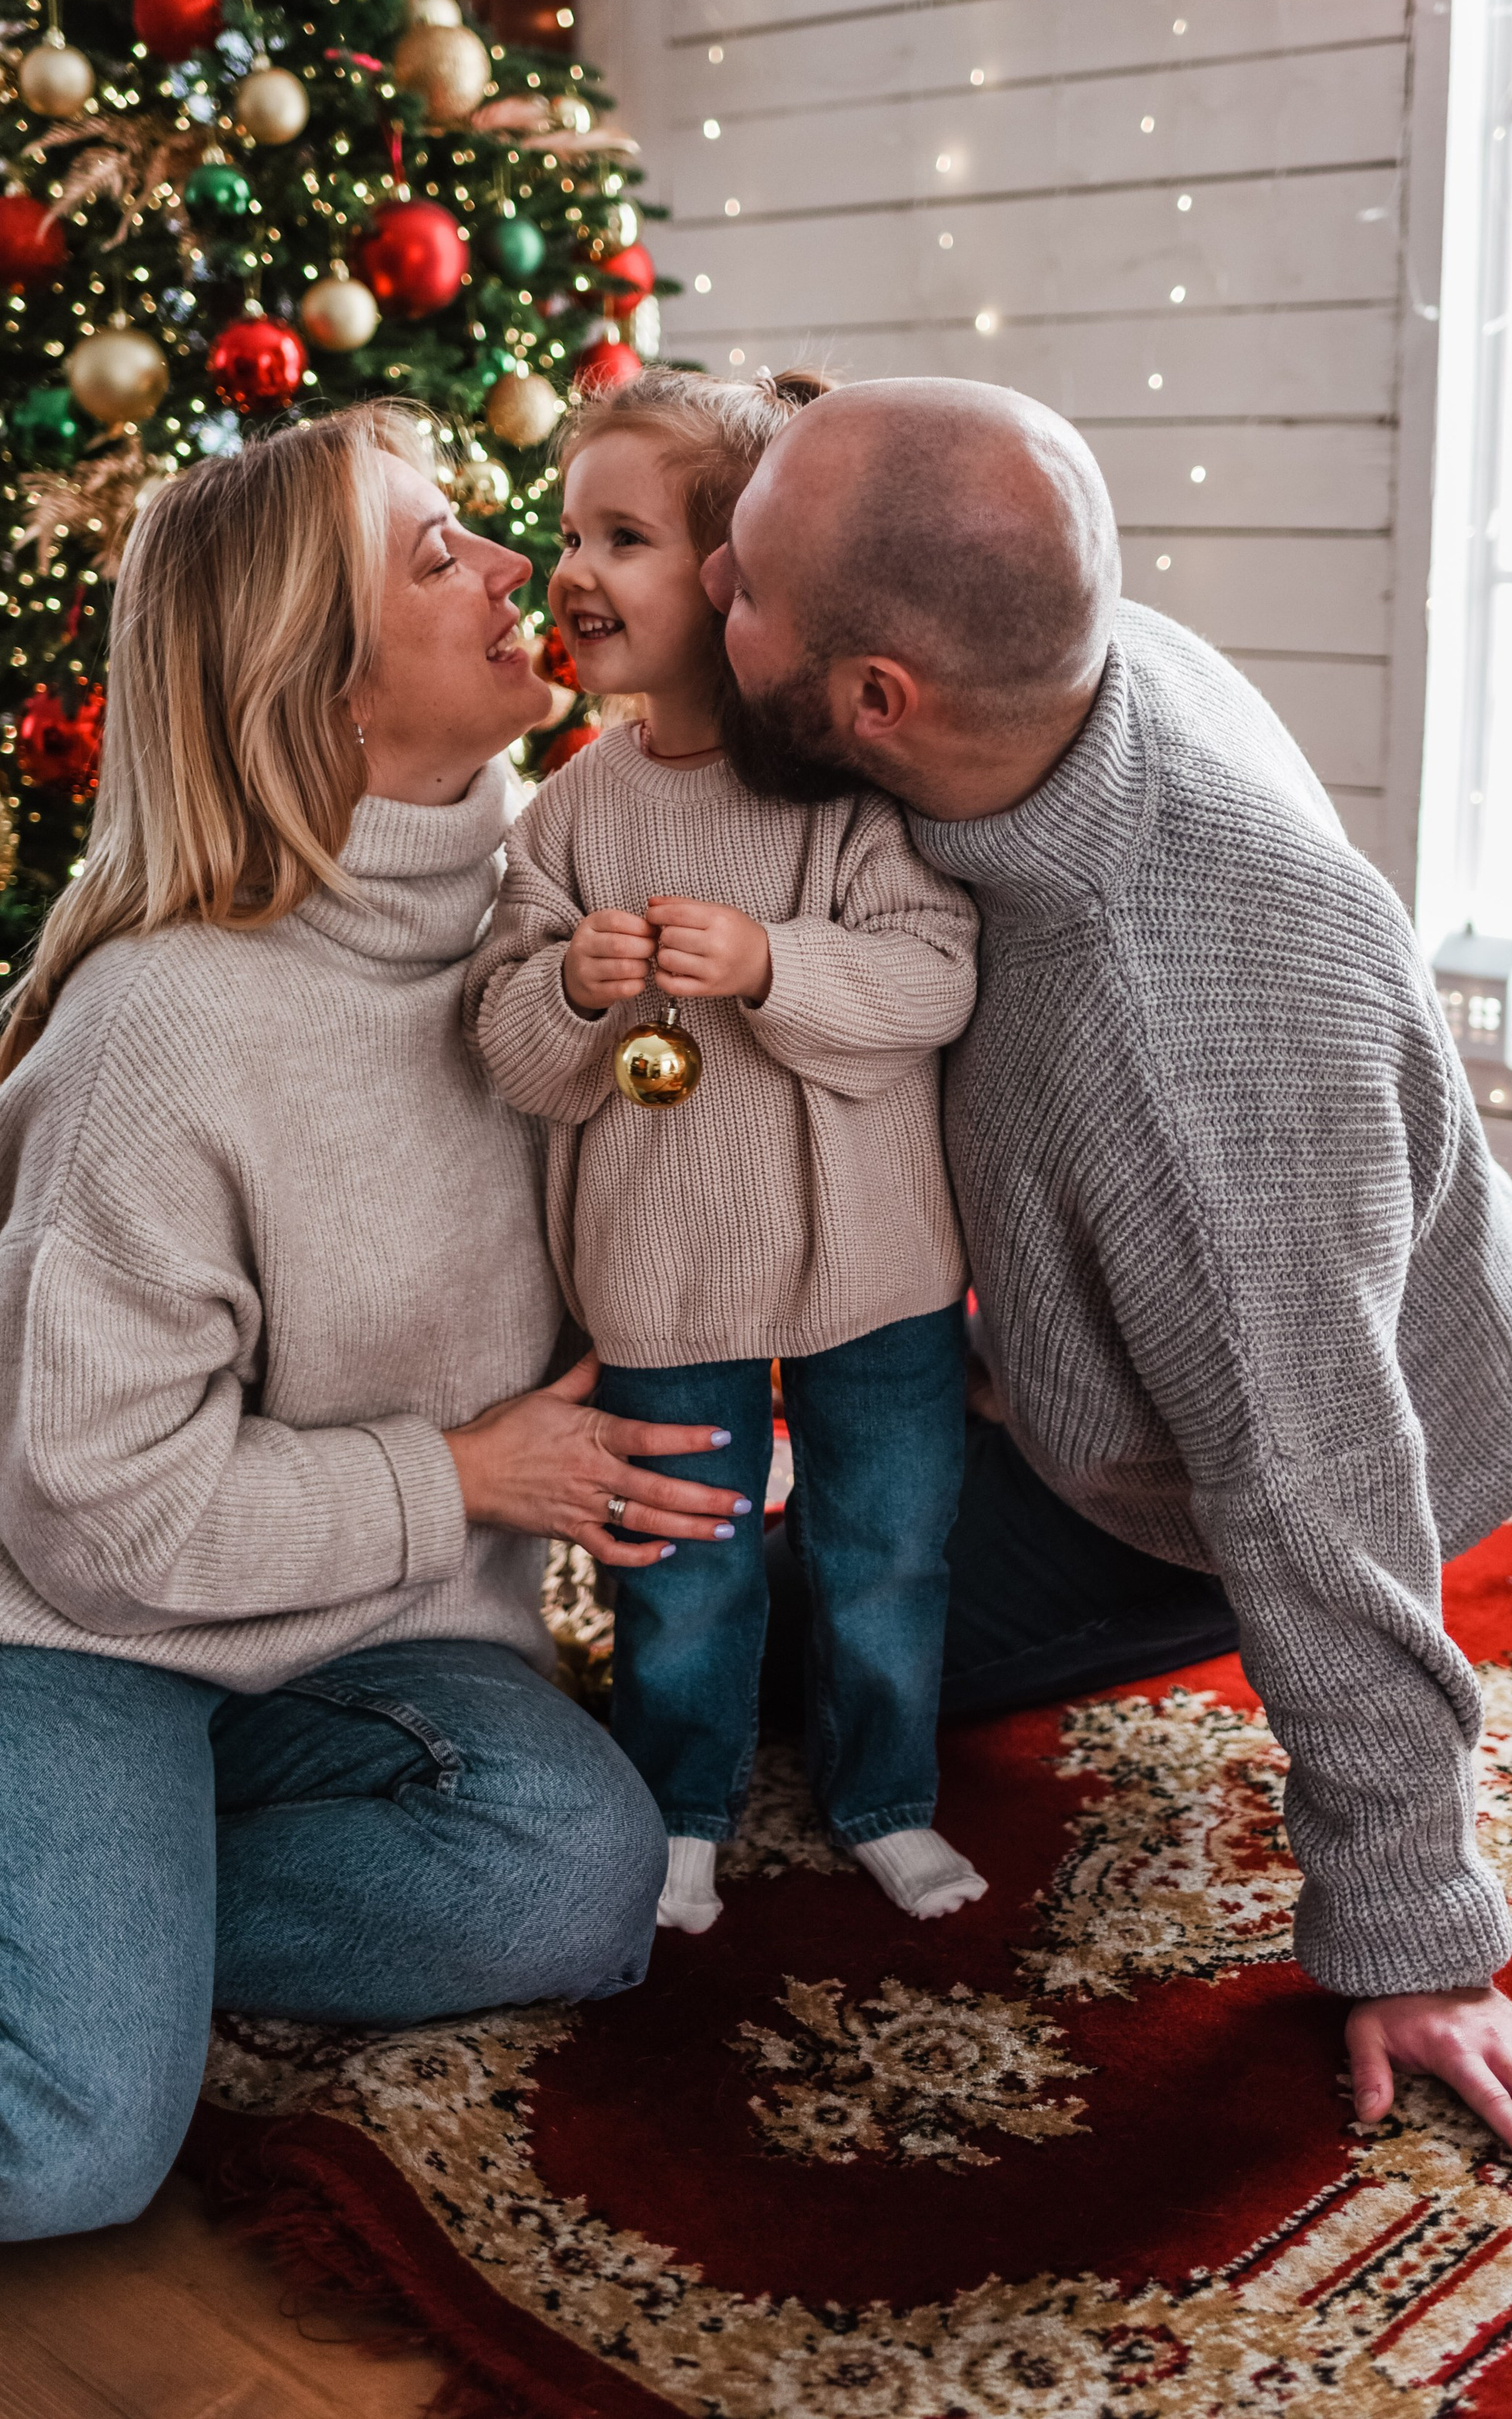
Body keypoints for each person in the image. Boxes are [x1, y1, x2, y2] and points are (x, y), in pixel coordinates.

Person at [707, 373, 1512, 2176]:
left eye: (739, 583)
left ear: (876, 701)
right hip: (1213, 1304)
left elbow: (1314, 1482)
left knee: (767, 1642)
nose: (701, 594)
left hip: (1313, 1435)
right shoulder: (1068, 661)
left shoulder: (1181, 1045)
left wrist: (1419, 1941)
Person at [0, 404, 747, 2241]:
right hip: (45, 1616)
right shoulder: (167, 1027)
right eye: (437, 556)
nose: (519, 566)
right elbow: (96, 1515)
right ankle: (47, 1967)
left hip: (348, 1636)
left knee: (576, 1876)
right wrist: (463, 1475)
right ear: (320, 694)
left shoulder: (555, 922)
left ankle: (62, 1928)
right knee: (46, 2133)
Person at [472, 370, 985, 1938]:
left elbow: (932, 979)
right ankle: (681, 1802)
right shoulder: (564, 816)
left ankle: (882, 1791)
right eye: (569, 531)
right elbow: (509, 1048)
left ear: (737, 579)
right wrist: (571, 985)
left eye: (618, 536)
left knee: (883, 1551)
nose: (569, 570)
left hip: (873, 1266)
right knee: (677, 1572)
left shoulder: (849, 799)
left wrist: (770, 964)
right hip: (663, 1276)